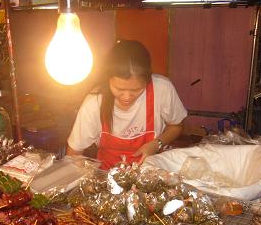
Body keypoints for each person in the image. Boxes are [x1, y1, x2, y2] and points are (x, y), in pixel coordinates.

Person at [67, 40, 187, 170]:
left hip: (152, 174)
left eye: (136, 90)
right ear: (108, 80)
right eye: (119, 89)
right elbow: (74, 153)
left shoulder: (162, 89)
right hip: (107, 175)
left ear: (148, 80)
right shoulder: (95, 102)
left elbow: (176, 126)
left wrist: (157, 144)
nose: (127, 97)